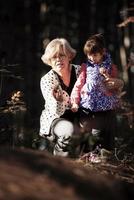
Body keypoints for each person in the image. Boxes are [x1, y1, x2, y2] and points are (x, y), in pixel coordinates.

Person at [70, 34, 124, 154]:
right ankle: (90, 156)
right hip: (89, 106)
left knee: (106, 134)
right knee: (92, 132)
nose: (92, 58)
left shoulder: (111, 67)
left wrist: (110, 79)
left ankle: (104, 157)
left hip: (106, 106)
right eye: (89, 55)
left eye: (95, 55)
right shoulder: (85, 68)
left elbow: (116, 85)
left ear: (102, 52)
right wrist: (74, 101)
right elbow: (78, 85)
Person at [39, 38, 86, 157]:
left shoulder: (80, 71)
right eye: (54, 57)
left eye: (62, 55)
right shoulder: (47, 80)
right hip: (55, 118)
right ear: (49, 60)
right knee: (67, 130)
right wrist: (59, 101)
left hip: (79, 115)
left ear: (69, 56)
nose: (58, 59)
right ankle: (59, 162)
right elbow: (56, 111)